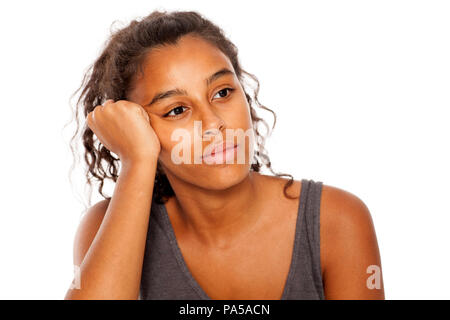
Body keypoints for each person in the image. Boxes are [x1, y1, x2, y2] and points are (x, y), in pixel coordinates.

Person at [64, 10, 384, 300]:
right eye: (177, 110)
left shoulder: (337, 220)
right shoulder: (105, 227)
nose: (214, 124)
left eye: (222, 93)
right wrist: (136, 163)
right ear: (136, 129)